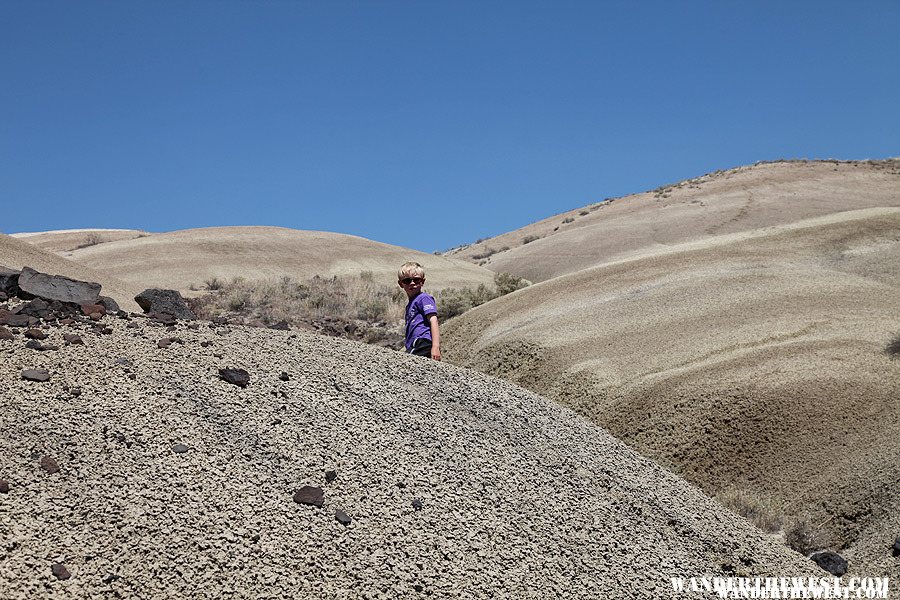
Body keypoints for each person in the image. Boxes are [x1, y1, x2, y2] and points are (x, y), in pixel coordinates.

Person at [398, 261, 441, 360]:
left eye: (416, 280)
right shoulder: (410, 304)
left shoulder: (423, 298)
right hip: (414, 343)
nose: (412, 283)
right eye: (407, 281)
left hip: (422, 342)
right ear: (401, 284)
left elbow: (433, 320)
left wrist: (435, 347)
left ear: (423, 281)